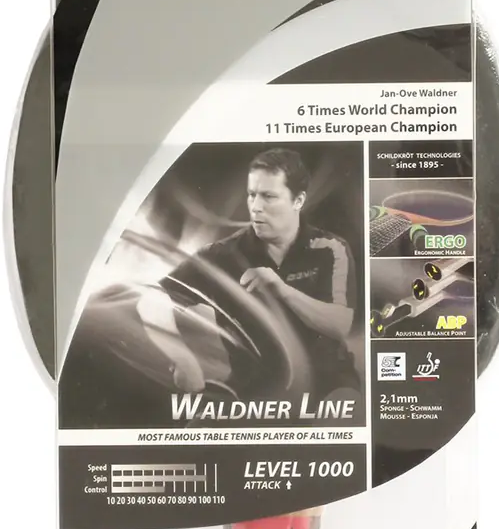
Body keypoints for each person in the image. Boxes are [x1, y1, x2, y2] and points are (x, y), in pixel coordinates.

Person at [138, 148, 360, 404]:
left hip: (329, 389)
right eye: (252, 195)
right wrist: (182, 358)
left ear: (298, 201)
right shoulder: (221, 255)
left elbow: (339, 324)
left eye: (268, 197)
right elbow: (151, 299)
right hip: (250, 394)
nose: (256, 207)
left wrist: (283, 290)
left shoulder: (330, 248)